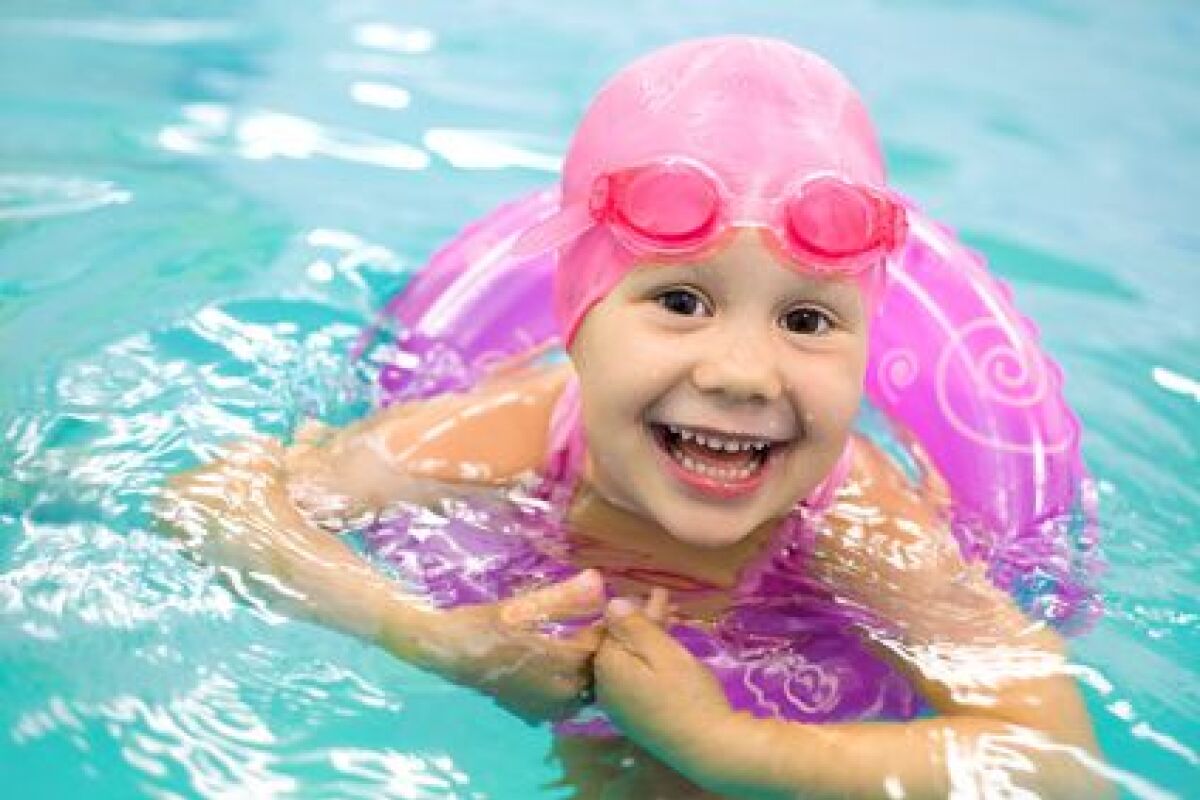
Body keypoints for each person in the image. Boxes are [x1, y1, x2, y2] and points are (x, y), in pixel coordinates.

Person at [160, 36, 1109, 798]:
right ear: (577, 323)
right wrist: (431, 638)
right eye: (682, 303)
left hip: (790, 695)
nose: (743, 373)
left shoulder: (858, 521)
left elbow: (1058, 767)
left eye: (807, 319)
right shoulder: (508, 432)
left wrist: (734, 750)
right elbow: (213, 503)